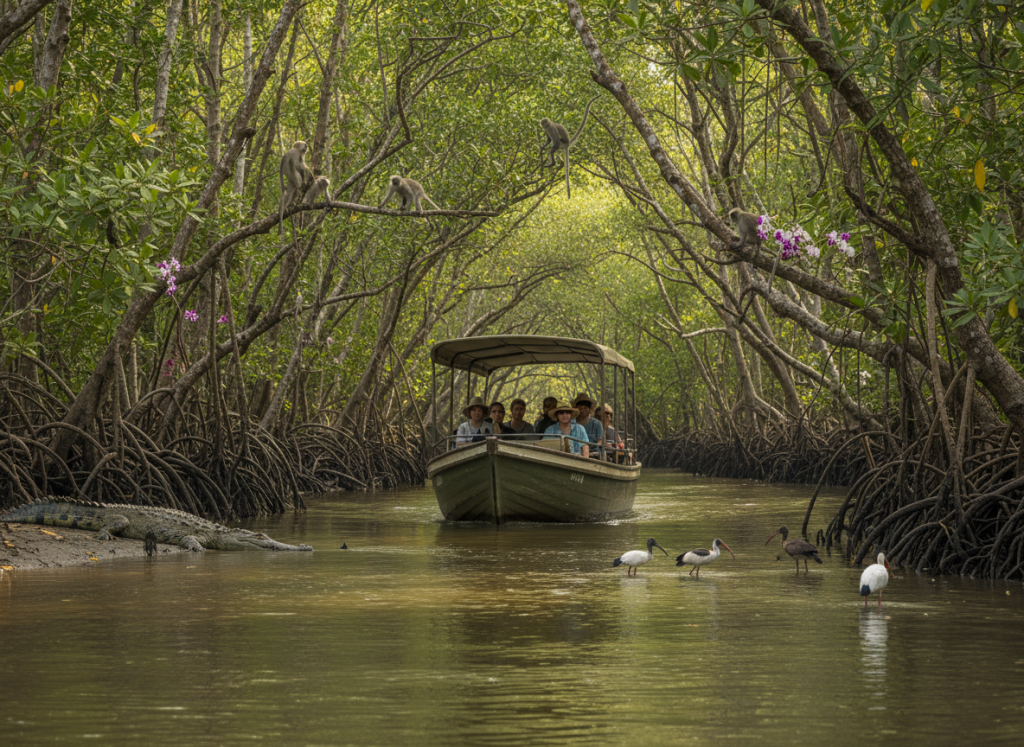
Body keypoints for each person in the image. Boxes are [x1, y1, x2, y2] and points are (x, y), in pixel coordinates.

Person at [573, 393, 604, 458]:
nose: (582, 410)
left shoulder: (597, 424)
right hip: (573, 456)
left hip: (592, 456)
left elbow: (600, 441)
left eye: (585, 408)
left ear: (589, 409)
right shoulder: (571, 423)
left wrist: (592, 452)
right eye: (580, 408)